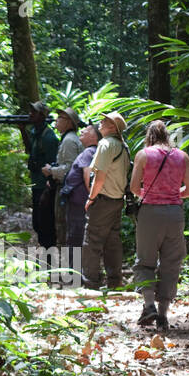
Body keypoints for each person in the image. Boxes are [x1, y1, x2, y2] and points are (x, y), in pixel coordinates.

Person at [130, 121, 189, 332]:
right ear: (167, 135)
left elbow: (133, 187)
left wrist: (151, 195)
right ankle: (163, 315)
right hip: (175, 214)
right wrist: (174, 194)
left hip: (150, 213)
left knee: (145, 260)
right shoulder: (182, 156)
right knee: (171, 262)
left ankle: (149, 304)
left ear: (149, 135)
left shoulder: (143, 155)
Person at [83, 111, 129, 290]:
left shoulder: (106, 144)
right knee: (112, 241)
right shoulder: (122, 146)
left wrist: (91, 197)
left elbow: (99, 177)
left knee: (92, 240)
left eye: (104, 121)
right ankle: (114, 281)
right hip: (117, 200)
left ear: (112, 127)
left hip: (103, 200)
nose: (100, 123)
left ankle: (91, 282)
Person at [19, 102, 58, 248]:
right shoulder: (37, 133)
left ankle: (50, 259)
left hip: (45, 187)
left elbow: (54, 164)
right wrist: (23, 131)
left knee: (45, 225)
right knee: (38, 223)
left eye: (34, 112)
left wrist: (49, 189)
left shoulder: (49, 138)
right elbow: (31, 150)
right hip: (37, 185)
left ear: (42, 116)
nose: (30, 115)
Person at [42, 108, 83, 248]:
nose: (56, 120)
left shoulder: (69, 141)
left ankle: (69, 265)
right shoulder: (68, 138)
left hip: (67, 190)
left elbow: (71, 168)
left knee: (64, 227)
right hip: (68, 189)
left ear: (69, 123)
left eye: (60, 118)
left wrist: (51, 171)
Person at [60, 123, 99, 247]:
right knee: (75, 235)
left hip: (80, 203)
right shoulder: (91, 151)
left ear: (95, 137)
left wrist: (90, 198)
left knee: (75, 236)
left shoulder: (89, 152)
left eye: (87, 130)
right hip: (79, 202)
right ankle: (73, 265)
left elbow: (88, 176)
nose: (82, 131)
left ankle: (72, 266)